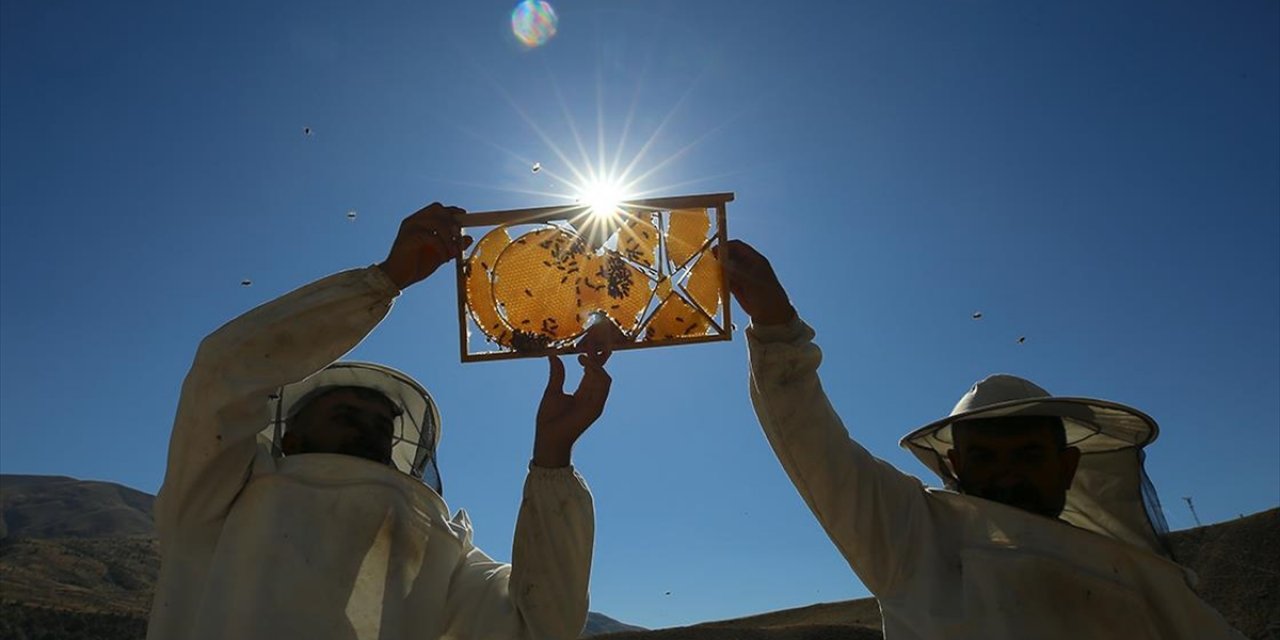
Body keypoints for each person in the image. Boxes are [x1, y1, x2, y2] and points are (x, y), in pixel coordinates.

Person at [719, 239, 1245, 639]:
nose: (1007, 471)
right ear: (954, 467)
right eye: (985, 457)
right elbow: (814, 446)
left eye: (1028, 454)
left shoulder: (1146, 581)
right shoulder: (910, 539)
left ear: (1066, 466)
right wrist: (776, 327)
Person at [147, 203, 614, 640]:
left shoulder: (442, 546)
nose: (369, 427)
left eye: (382, 425)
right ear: (290, 434)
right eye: (345, 413)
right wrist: (384, 280)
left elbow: (542, 625)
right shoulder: (218, 500)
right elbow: (222, 372)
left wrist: (553, 459)